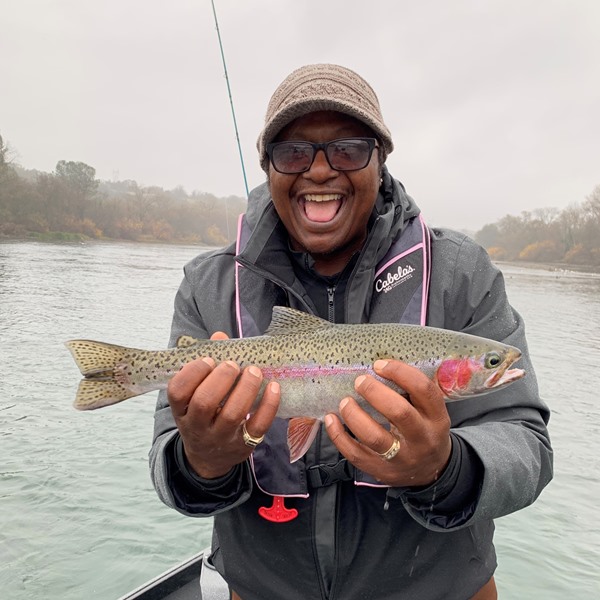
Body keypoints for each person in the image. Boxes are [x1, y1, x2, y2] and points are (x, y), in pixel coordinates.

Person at [150, 64, 553, 600]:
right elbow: (168, 459)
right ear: (268, 166)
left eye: (348, 149)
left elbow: (526, 443)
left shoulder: (463, 274)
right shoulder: (209, 284)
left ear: (380, 161)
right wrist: (200, 461)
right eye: (294, 151)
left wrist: (445, 468)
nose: (320, 171)